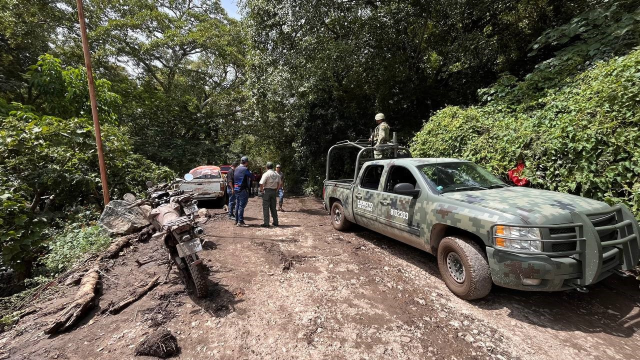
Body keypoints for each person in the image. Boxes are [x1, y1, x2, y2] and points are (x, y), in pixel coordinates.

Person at [259, 162, 281, 227]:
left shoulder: (266, 174)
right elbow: (280, 183)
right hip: (274, 192)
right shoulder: (276, 174)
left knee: (266, 207)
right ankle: (275, 222)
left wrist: (261, 190)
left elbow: (261, 183)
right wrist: (276, 190)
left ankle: (266, 223)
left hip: (267, 191)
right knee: (273, 207)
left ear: (267, 167)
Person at [233, 156, 252, 226]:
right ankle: (240, 221)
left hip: (236, 188)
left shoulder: (236, 168)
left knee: (237, 204)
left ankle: (236, 220)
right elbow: (251, 176)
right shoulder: (245, 169)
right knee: (242, 205)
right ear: (246, 162)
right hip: (242, 189)